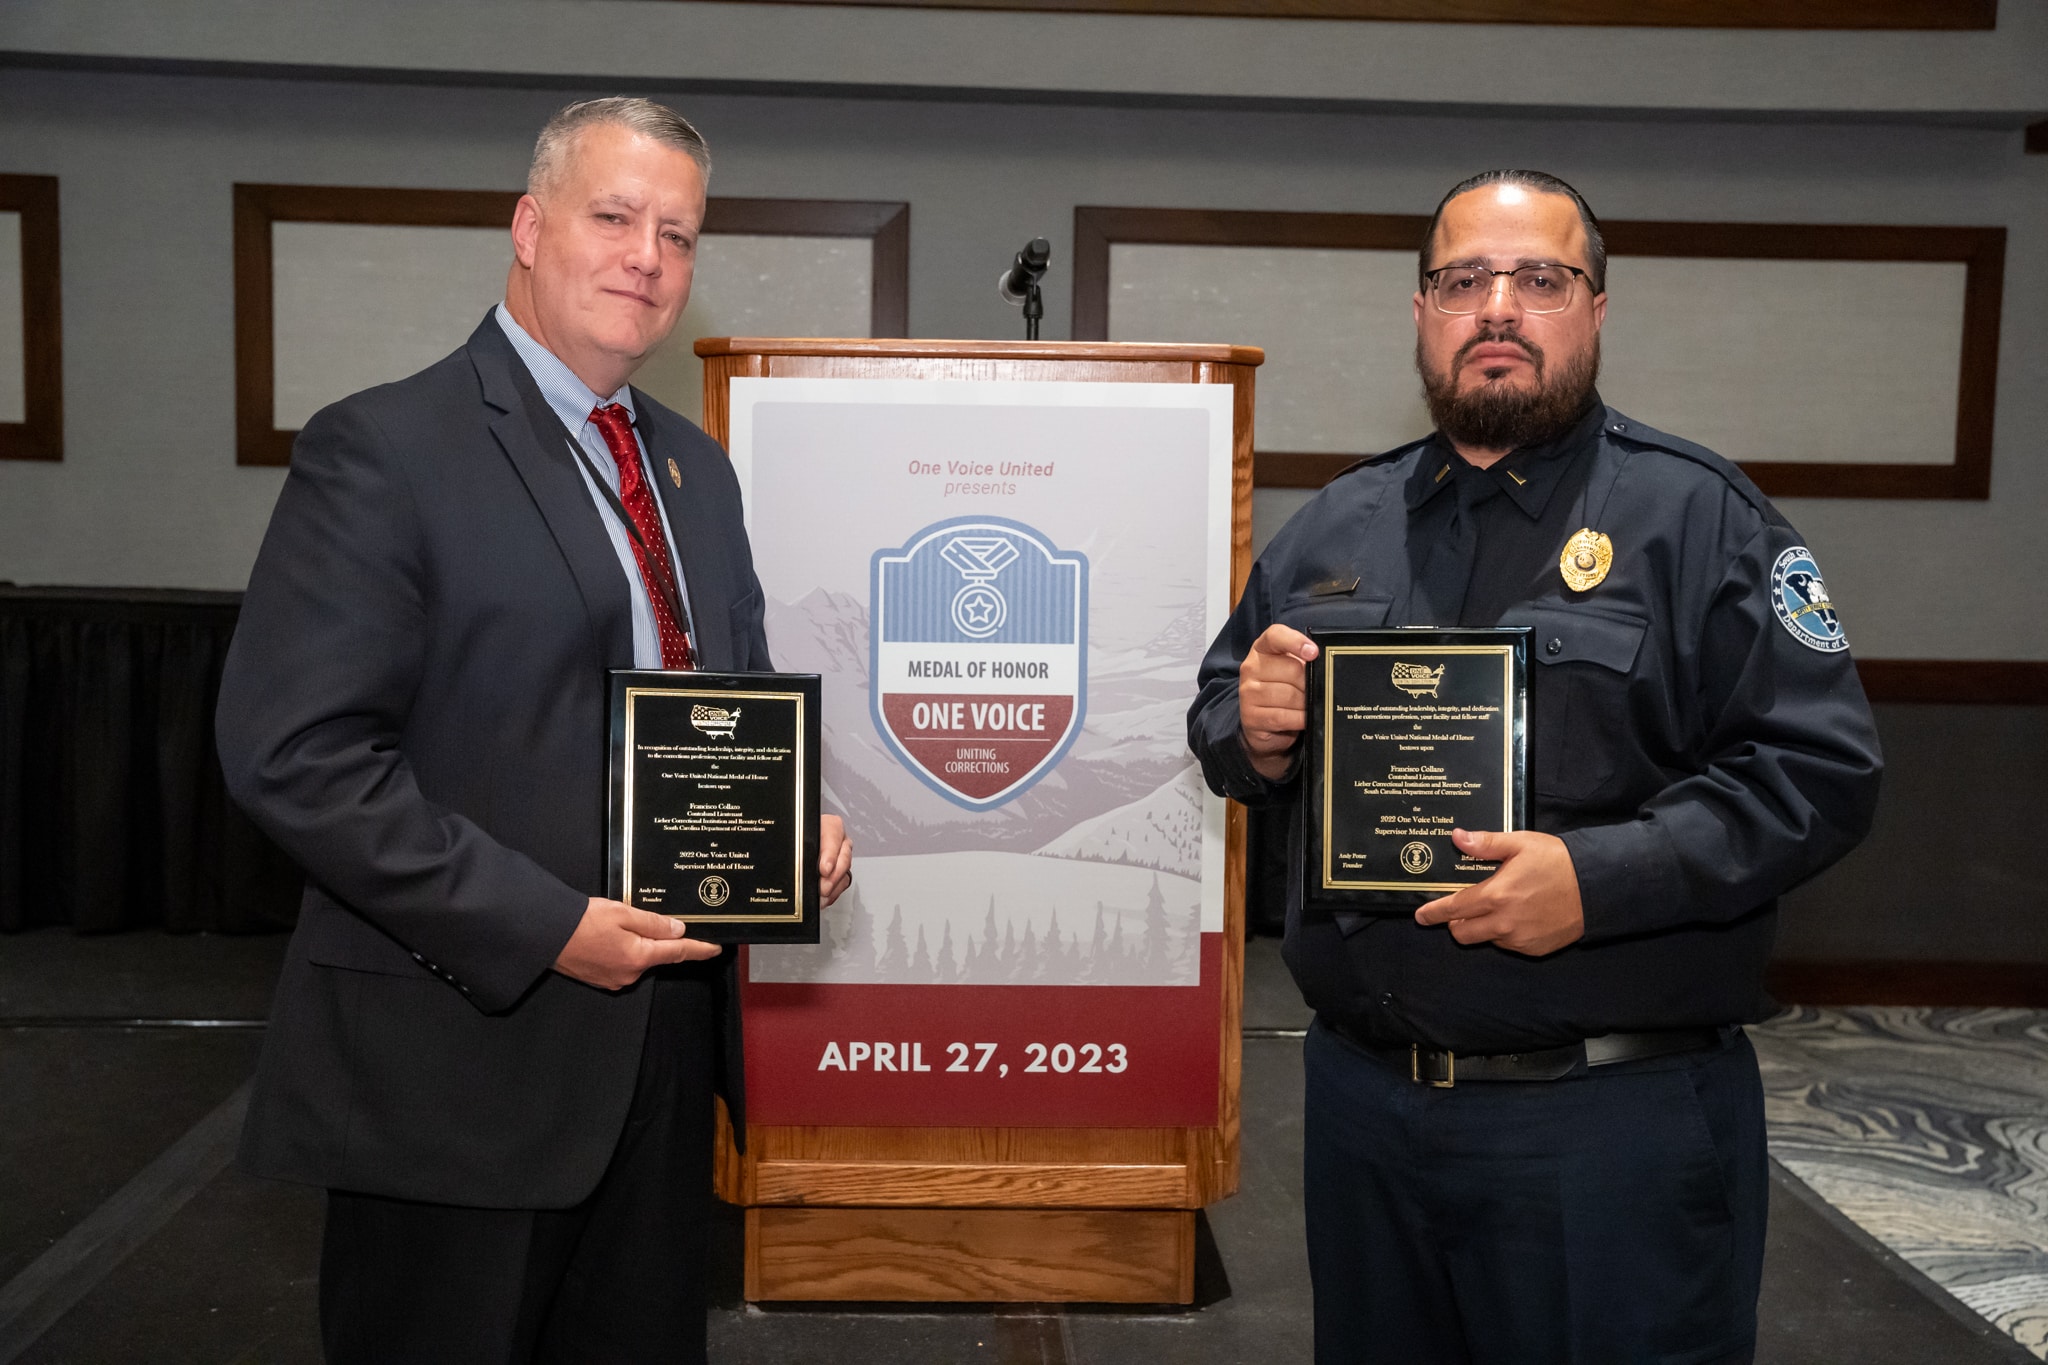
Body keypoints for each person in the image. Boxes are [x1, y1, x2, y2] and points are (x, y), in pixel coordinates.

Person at [1187, 170, 1882, 1364]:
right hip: (1366, 1115)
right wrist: (1243, 731)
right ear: (1421, 312)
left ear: (1595, 310)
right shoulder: (1336, 523)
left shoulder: (1698, 517)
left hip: (1608, 1133)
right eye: (1463, 281)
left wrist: (1599, 880)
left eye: (1538, 280)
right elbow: (1218, 706)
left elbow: (1815, 772)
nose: (1496, 308)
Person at [217, 97, 852, 1364]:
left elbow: (730, 687)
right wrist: (545, 927)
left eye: (677, 234)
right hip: (462, 1058)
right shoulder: (386, 448)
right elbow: (296, 756)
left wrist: (791, 823)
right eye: (613, 218)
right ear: (527, 227)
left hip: (663, 1052)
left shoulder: (691, 468)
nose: (646, 258)